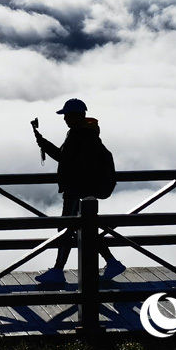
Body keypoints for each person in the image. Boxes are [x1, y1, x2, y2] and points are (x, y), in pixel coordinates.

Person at [32, 98, 124, 284]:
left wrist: (43, 143)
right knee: (84, 228)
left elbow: (63, 158)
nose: (64, 119)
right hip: (86, 188)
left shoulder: (78, 135)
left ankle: (58, 271)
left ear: (76, 116)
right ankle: (112, 262)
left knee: (66, 228)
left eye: (67, 115)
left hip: (77, 189)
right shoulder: (88, 133)